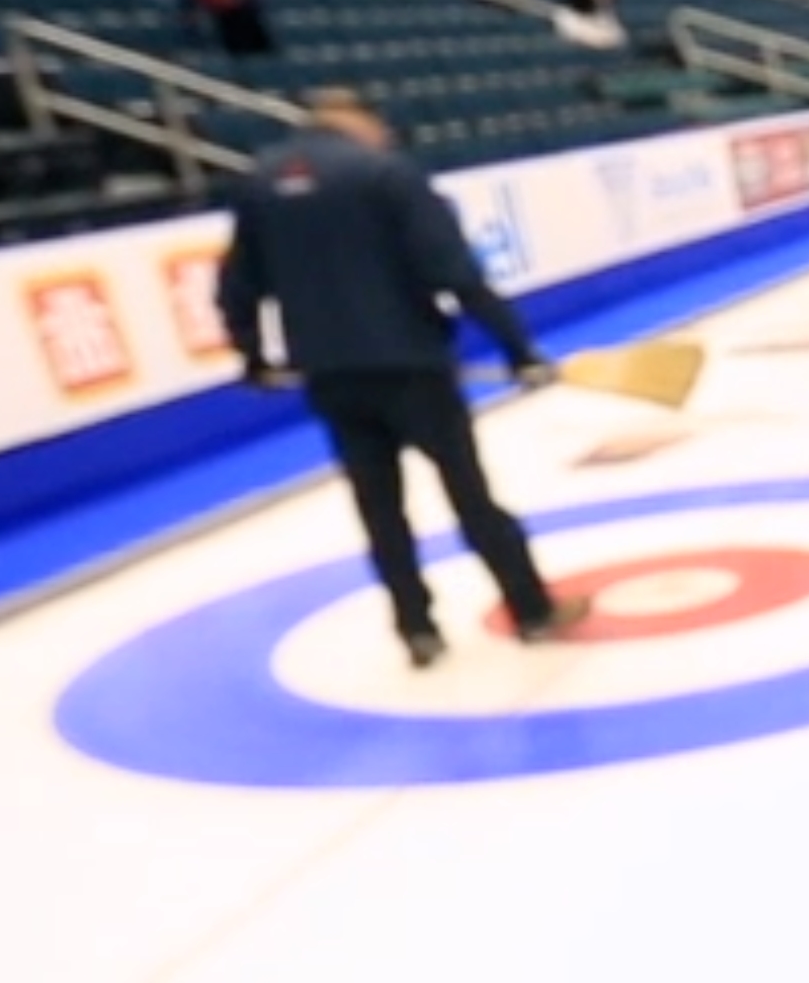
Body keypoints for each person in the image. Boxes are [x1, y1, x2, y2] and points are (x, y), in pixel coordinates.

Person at [217, 88, 589, 667]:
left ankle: (416, 629)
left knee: (379, 508)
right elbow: (455, 272)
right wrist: (518, 349)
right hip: (412, 366)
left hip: (330, 373)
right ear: (357, 120)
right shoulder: (383, 174)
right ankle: (531, 609)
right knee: (470, 495)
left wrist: (254, 357)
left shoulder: (259, 183)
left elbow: (239, 284)